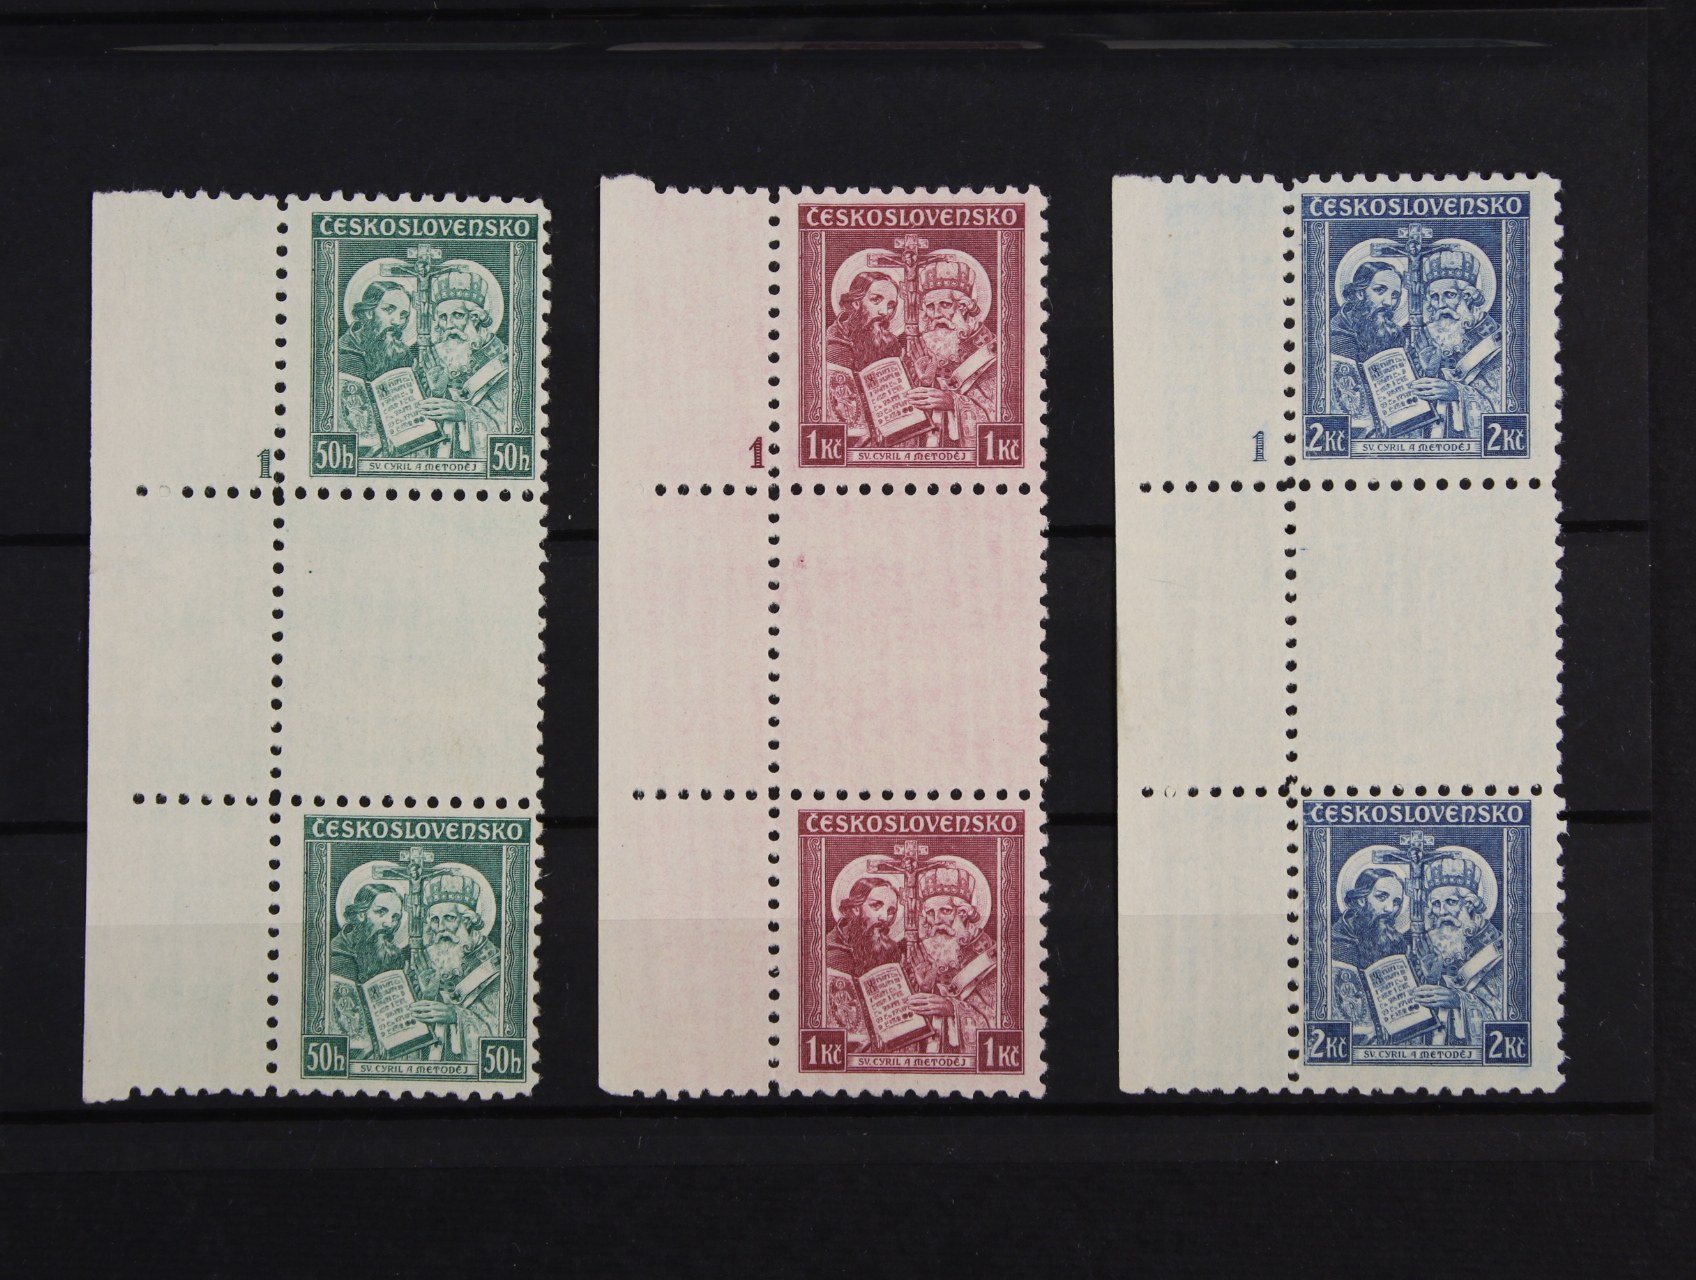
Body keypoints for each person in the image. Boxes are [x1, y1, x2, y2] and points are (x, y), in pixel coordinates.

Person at [898, 257, 998, 451]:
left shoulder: (990, 350)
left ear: (962, 307)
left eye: (945, 304)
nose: (936, 314)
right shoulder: (924, 347)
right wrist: (924, 381)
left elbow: (998, 411)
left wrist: (953, 402)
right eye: (930, 307)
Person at [1409, 855, 1506, 1046]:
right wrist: (1431, 979)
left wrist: (1458, 1000)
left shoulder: (1497, 948)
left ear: (1469, 904)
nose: (1441, 912)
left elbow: (1503, 1011)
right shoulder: (1432, 944)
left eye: (1451, 902)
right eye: (1436, 904)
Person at [902, 863, 999, 1052]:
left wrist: (951, 1008)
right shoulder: (924, 953)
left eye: (945, 911)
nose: (936, 921)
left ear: (963, 913)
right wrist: (925, 988)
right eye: (930, 913)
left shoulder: (989, 956)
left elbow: (995, 1018)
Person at [416, 268, 510, 460]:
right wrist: (437, 393)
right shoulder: (436, 356)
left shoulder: (501, 361)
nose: (449, 325)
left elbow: (505, 421)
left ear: (475, 317)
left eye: (457, 315)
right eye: (443, 317)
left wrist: (464, 413)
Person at [1409, 247, 1504, 438]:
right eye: (1434, 297)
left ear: (1467, 297)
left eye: (1449, 295)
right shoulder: (1428, 337)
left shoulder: (1494, 339)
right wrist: (1429, 371)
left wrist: (1457, 393)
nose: (1441, 305)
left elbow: (1500, 402)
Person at [407, 872, 503, 1062]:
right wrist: (428, 994)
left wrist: (455, 1015)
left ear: (467, 920)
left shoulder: (493, 963)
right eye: (434, 920)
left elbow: (498, 1025)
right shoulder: (428, 958)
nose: (440, 927)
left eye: (449, 918)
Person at [1329, 259, 1407, 364]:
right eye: (1379, 290)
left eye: (1394, 295)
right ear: (1360, 293)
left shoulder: (1394, 334)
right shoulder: (1338, 337)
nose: (1388, 302)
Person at [1332, 866, 1409, 972]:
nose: (1390, 909)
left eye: (1396, 902)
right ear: (1361, 900)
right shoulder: (1337, 942)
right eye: (1381, 897)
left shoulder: (1394, 940)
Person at [330, 883, 410, 985]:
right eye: (380, 912)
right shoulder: (338, 959)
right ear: (361, 914)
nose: (389, 924)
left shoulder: (393, 956)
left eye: (395, 917)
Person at [338, 281, 417, 382]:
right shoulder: (346, 353)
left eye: (403, 315)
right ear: (369, 312)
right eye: (388, 309)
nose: (397, 321)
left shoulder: (401, 352)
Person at [825, 877, 903, 978]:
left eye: (891, 911)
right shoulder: (833, 954)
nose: (884, 917)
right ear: (856, 908)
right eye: (876, 906)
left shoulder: (885, 949)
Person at [825, 271, 902, 372]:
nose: (884, 312)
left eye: (890, 305)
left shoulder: (889, 342)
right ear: (856, 303)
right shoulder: (836, 344)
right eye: (875, 300)